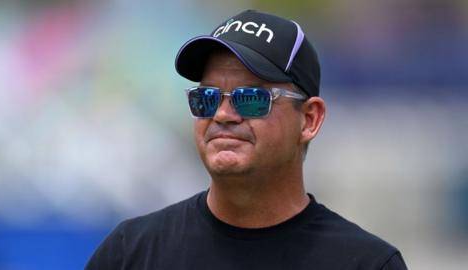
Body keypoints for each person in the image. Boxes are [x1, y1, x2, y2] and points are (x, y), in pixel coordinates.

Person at [86, 10, 408, 270]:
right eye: (207, 98)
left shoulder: (367, 263)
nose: (223, 114)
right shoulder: (130, 253)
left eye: (250, 98)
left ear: (309, 120)